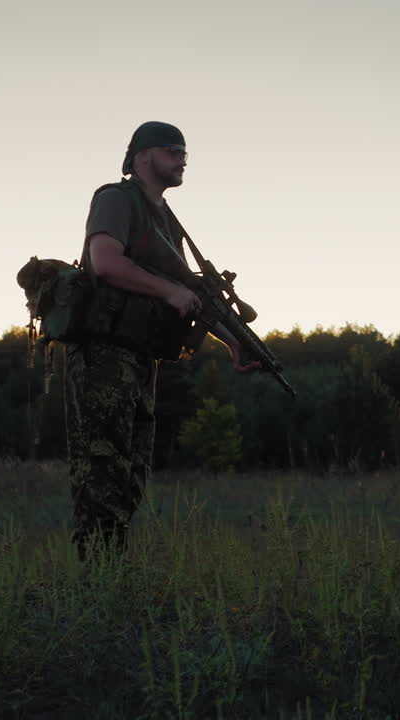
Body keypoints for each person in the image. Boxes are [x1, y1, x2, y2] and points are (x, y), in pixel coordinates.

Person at [66, 120, 257, 558]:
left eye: (185, 153)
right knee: (102, 463)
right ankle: (97, 572)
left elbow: (193, 298)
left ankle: (111, 570)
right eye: (174, 150)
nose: (183, 158)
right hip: (103, 353)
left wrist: (233, 342)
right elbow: (106, 262)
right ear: (143, 156)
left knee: (132, 468)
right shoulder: (116, 199)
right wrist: (172, 290)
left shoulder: (167, 222)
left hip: (140, 355)